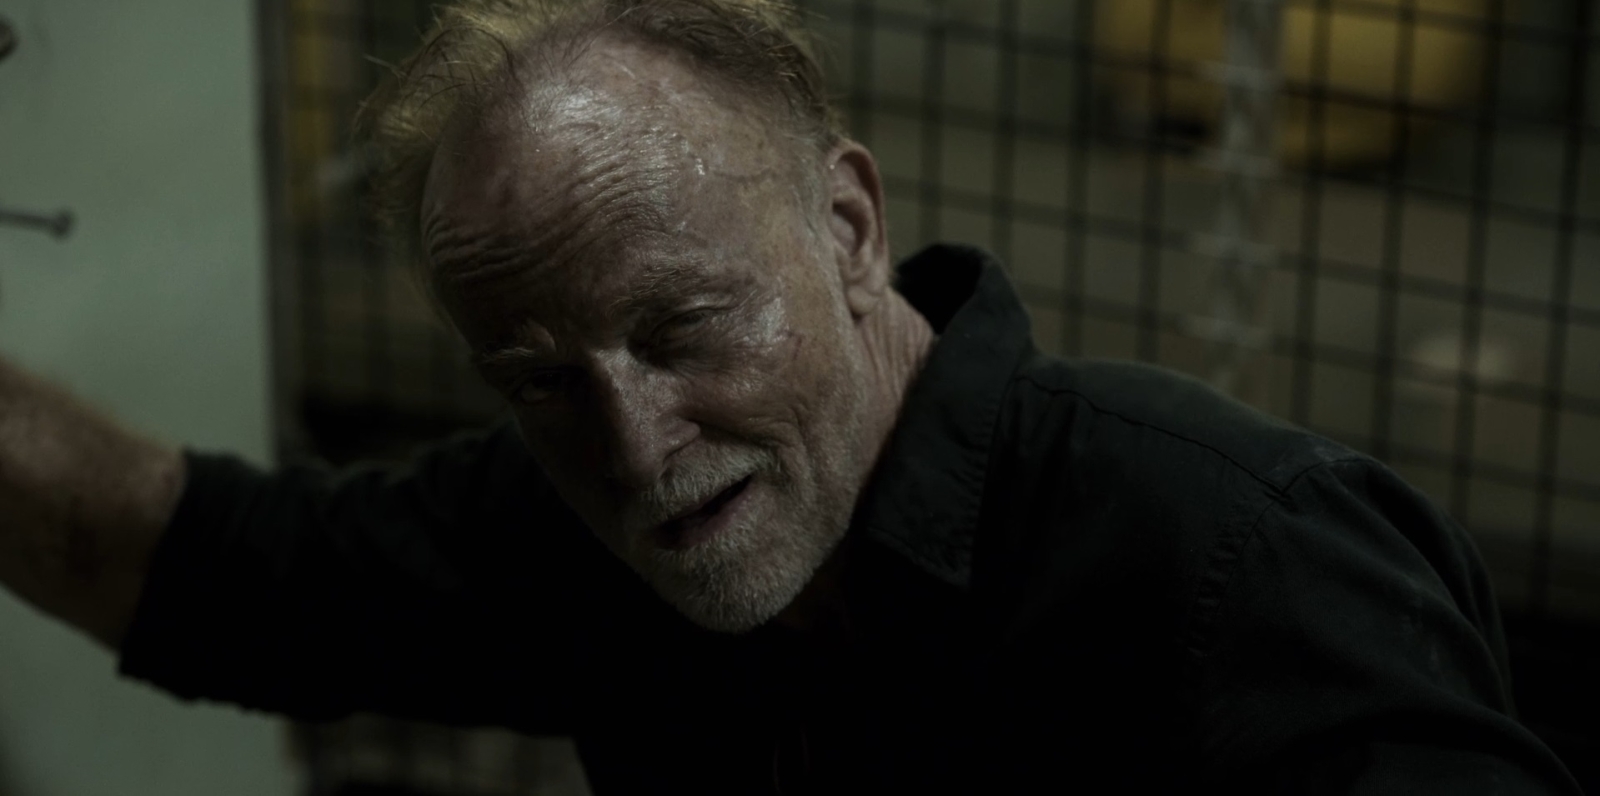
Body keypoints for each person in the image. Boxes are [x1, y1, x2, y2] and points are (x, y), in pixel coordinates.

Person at [0, 0, 1584, 793]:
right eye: (539, 382)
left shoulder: (1240, 561)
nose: (636, 446)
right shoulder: (582, 517)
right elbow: (217, 575)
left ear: (849, 227)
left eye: (685, 327)